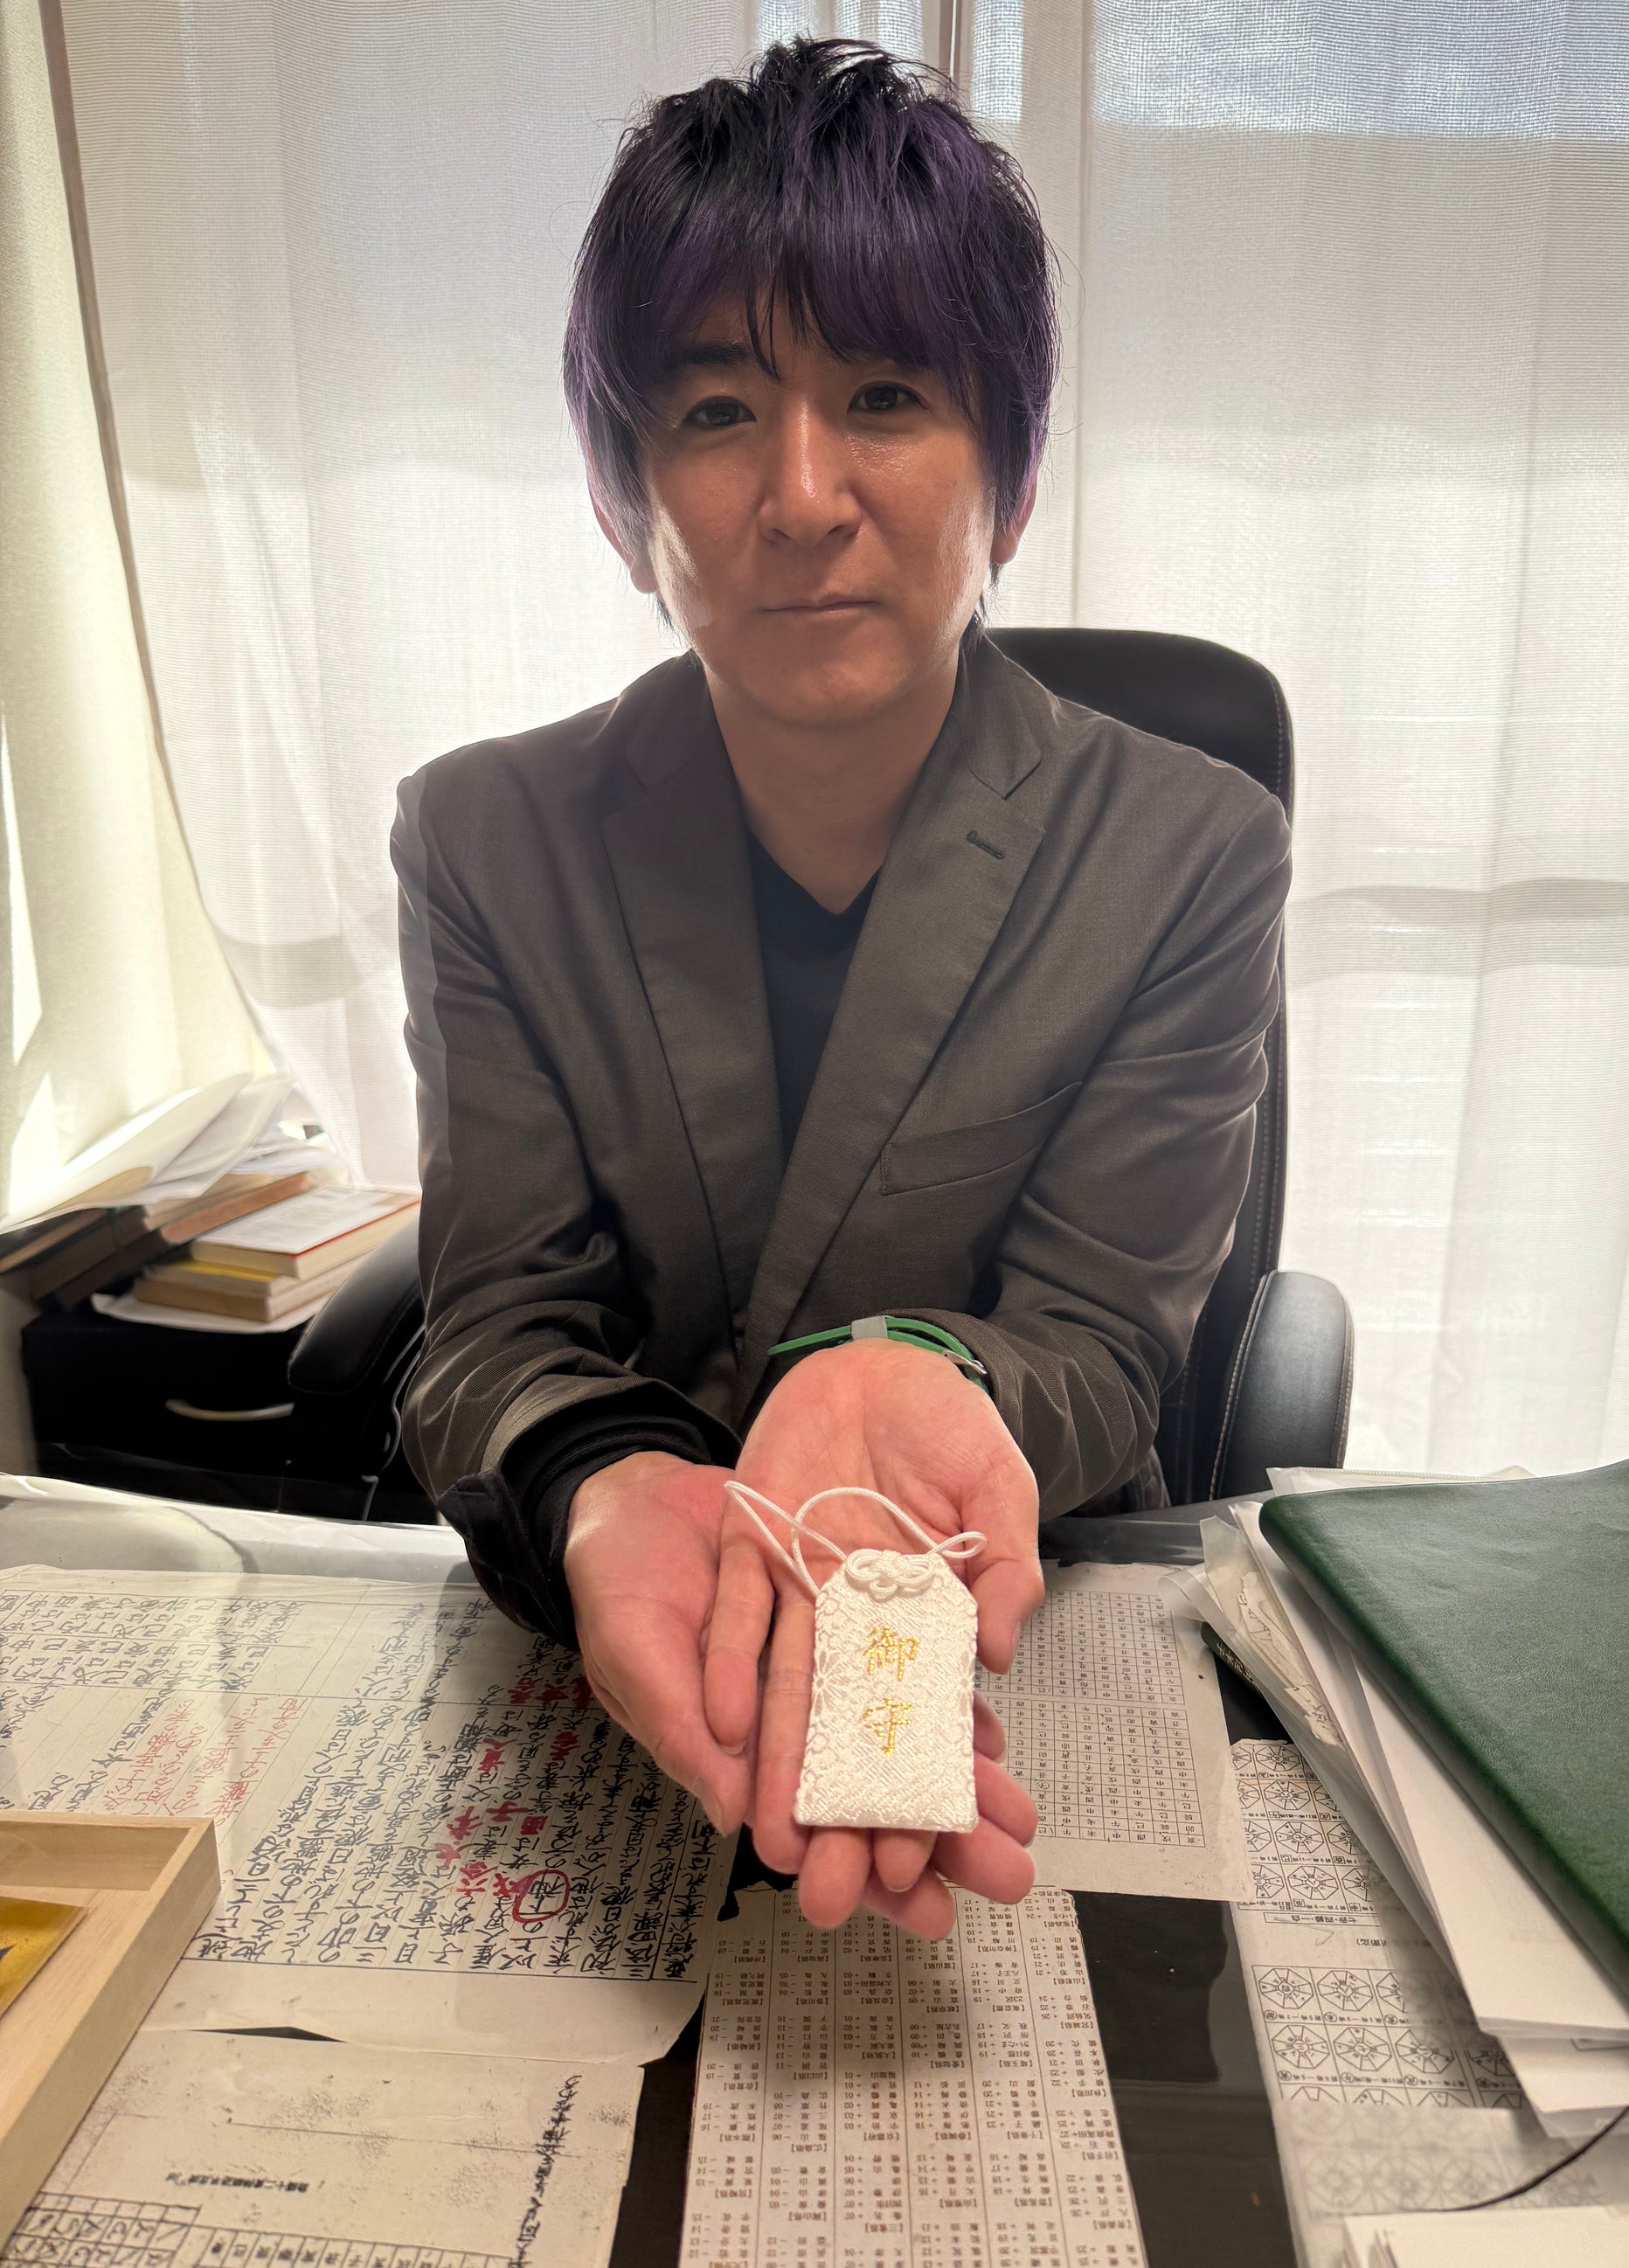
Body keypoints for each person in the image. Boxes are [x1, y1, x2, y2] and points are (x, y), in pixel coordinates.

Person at [392, 38, 1290, 1937]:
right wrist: (602, 1484)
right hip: (618, 1648)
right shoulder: (485, 839)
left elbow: (1100, 1343)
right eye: (717, 410)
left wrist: (911, 1371)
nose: (801, 495)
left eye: (885, 396)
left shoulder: (1187, 849)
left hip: (1012, 1632)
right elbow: (493, 1324)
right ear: (623, 499)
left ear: (1011, 479)